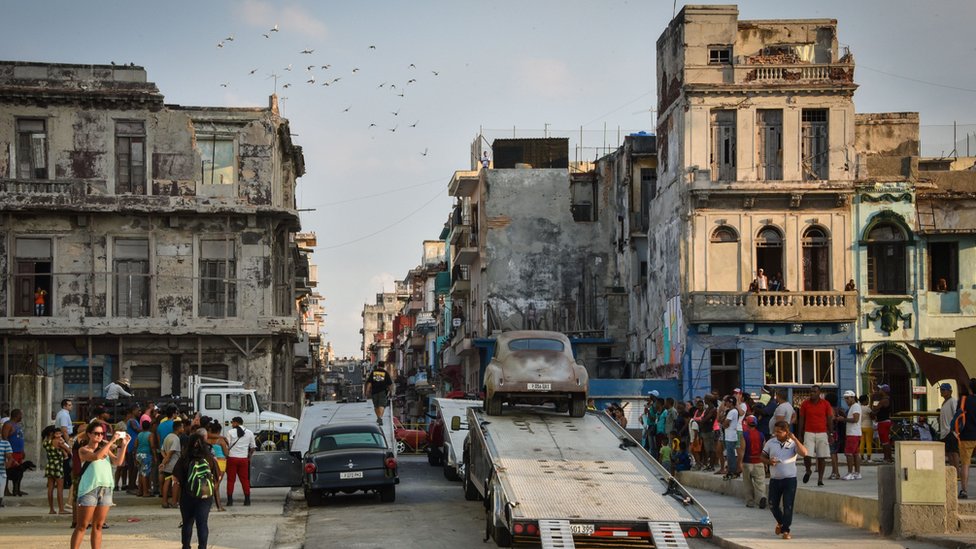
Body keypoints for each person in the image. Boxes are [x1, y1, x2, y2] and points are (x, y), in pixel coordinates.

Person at [70, 421, 130, 549]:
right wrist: (111, 441)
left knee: (98, 525)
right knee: (82, 525)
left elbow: (118, 462)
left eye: (102, 433)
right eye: (96, 433)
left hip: (106, 488)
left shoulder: (106, 450)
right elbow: (96, 456)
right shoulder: (83, 450)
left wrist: (124, 445)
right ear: (89, 435)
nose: (99, 436)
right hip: (89, 489)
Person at [762, 420, 809, 540]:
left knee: (788, 505)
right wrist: (769, 462)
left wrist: (795, 439)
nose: (776, 433)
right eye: (775, 431)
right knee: (772, 505)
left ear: (786, 432)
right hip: (775, 479)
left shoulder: (793, 443)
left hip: (789, 480)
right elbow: (762, 456)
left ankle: (786, 530)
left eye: (779, 431)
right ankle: (781, 522)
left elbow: (804, 453)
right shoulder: (771, 442)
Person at [173, 433, 218, 549]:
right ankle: (202, 547)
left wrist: (175, 499)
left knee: (187, 523)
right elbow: (218, 477)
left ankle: (186, 546)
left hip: (187, 495)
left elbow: (176, 479)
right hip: (205, 497)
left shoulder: (184, 459)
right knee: (202, 524)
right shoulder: (209, 459)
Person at [799, 385, 832, 486]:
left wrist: (830, 433)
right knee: (806, 455)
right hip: (809, 432)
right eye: (811, 392)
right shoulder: (805, 404)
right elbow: (801, 419)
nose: (812, 393)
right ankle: (808, 470)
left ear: (819, 393)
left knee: (821, 456)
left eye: (814, 392)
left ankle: (820, 479)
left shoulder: (825, 404)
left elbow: (829, 418)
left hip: (822, 432)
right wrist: (800, 434)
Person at [225, 416, 256, 506]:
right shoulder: (249, 432)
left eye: (232, 422)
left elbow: (227, 447)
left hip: (232, 458)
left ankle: (230, 501)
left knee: (231, 480)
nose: (231, 424)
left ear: (236, 423)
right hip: (243, 459)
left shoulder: (230, 432)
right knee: (244, 480)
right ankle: (247, 500)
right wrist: (249, 456)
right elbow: (253, 447)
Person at [953, 378, 976, 499]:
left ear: (970, 388)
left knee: (965, 464)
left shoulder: (964, 400)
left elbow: (957, 415)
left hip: (966, 436)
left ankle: (964, 490)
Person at [42, 425, 70, 514]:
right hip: (58, 466)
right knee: (59, 488)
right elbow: (69, 450)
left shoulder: (46, 443)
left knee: (50, 488)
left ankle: (51, 509)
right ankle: (61, 509)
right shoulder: (58, 442)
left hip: (50, 465)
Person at [741, 415, 766, 508]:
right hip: (759, 461)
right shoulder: (761, 434)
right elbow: (764, 449)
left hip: (747, 461)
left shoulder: (744, 435)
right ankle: (762, 497)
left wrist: (739, 462)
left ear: (747, 423)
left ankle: (750, 501)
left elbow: (742, 450)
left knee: (747, 483)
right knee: (760, 482)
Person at [939, 383, 960, 483]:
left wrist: (954, 430)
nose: (942, 391)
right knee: (948, 453)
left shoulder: (953, 401)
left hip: (950, 431)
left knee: (954, 453)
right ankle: (953, 472)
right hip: (944, 432)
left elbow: (957, 415)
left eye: (944, 390)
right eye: (941, 390)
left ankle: (957, 473)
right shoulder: (944, 403)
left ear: (950, 391)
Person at [206, 421, 229, 511]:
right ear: (219, 431)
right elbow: (226, 453)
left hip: (210, 461)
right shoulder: (221, 440)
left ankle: (217, 505)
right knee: (217, 483)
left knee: (210, 482)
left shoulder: (207, 439)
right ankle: (217, 506)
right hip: (221, 462)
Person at [161, 419, 184, 509]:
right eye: (182, 427)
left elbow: (162, 450)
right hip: (174, 464)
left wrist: (164, 459)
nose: (183, 429)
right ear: (178, 428)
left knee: (167, 481)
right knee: (176, 482)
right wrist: (165, 460)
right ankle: (174, 502)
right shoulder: (176, 439)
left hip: (167, 464)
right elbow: (171, 452)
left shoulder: (167, 437)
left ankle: (164, 502)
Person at [1, 409, 25, 497]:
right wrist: (8, 451)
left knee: (19, 471)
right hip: (12, 451)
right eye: (21, 415)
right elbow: (5, 437)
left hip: (19, 451)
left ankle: (17, 489)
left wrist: (22, 450)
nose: (22, 417)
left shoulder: (17, 425)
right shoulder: (8, 424)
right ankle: (5, 489)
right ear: (16, 415)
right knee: (8, 471)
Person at [839, 390, 862, 480]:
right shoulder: (853, 407)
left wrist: (843, 419)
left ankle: (850, 472)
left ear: (853, 397)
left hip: (853, 433)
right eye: (845, 399)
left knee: (849, 453)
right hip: (854, 433)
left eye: (848, 398)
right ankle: (857, 472)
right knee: (855, 453)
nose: (846, 400)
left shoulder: (855, 406)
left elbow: (855, 419)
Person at [873, 384, 894, 463]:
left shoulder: (884, 400)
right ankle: (887, 457)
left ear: (884, 391)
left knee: (885, 441)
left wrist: (873, 399)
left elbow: (874, 409)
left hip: (883, 422)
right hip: (884, 421)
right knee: (885, 441)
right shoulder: (886, 399)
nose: (879, 391)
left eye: (880, 389)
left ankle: (887, 458)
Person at [722, 396, 740, 480]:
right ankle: (731, 470)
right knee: (730, 454)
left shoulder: (732, 412)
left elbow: (725, 423)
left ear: (731, 402)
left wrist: (724, 424)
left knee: (731, 455)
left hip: (731, 436)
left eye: (727, 402)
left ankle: (732, 471)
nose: (726, 403)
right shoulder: (731, 411)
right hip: (729, 435)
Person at [135, 420, 153, 497]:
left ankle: (140, 491)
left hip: (138, 454)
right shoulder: (150, 434)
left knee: (140, 473)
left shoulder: (139, 434)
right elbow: (152, 445)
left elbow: (135, 445)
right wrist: (154, 455)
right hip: (146, 455)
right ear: (149, 426)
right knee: (145, 473)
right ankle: (145, 492)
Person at [858, 394, 874, 462]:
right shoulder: (867, 408)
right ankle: (869, 457)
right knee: (868, 442)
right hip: (868, 426)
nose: (868, 401)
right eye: (867, 400)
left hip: (860, 427)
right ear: (865, 401)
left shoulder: (858, 408)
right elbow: (872, 416)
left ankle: (861, 457)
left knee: (862, 442)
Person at [0, 430, 11, 508]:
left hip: (1, 470)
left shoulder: (5, 443)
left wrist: (8, 462)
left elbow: (9, 456)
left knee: (1, 489)